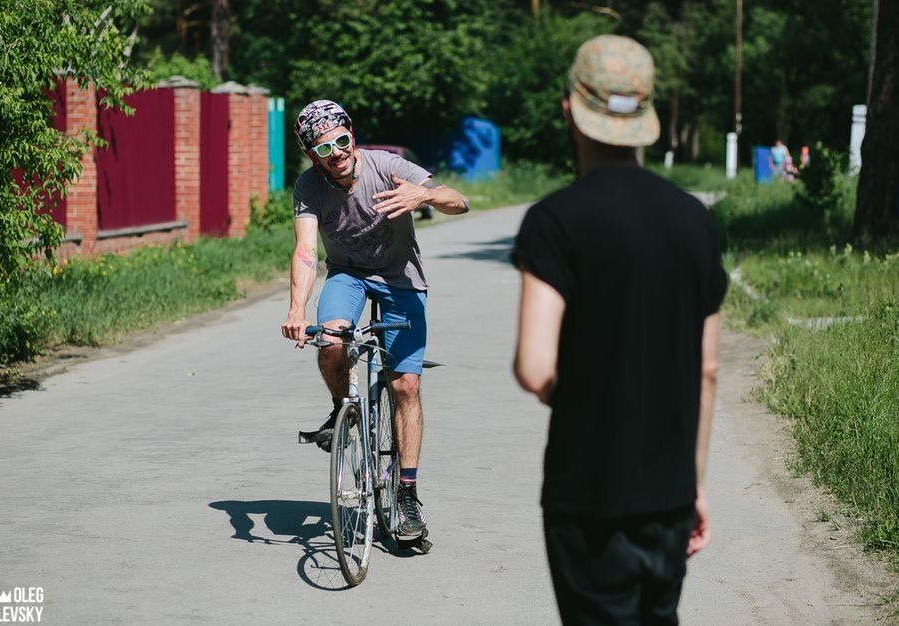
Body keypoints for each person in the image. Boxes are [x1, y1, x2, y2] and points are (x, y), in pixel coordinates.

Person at [511, 35, 727, 624]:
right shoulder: (695, 221)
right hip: (669, 490)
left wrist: (585, 395)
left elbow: (534, 366)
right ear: (647, 114)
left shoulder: (553, 221)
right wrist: (694, 484)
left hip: (588, 490)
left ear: (569, 112)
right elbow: (707, 368)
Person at [280, 99, 469, 537]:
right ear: (313, 155)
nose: (338, 153)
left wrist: (424, 194)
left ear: (352, 136)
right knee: (330, 343)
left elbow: (457, 200)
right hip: (348, 275)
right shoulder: (309, 187)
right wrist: (296, 308)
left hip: (401, 279)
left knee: (406, 384)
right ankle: (340, 410)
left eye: (342, 141)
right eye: (325, 149)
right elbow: (306, 250)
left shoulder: (388, 166)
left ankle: (406, 497)